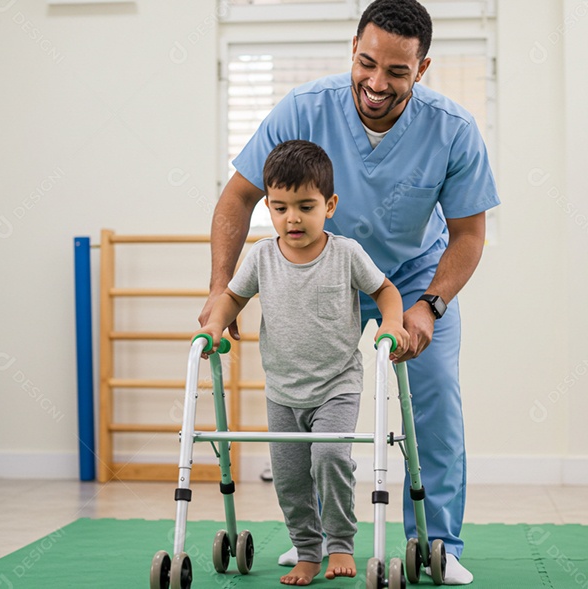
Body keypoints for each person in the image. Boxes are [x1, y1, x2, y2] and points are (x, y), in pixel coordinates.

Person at [198, 0, 499, 585]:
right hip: (315, 271)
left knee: (433, 397)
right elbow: (237, 197)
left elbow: (468, 234)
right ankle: (311, 540)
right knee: (305, 404)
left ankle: (436, 544)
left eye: (397, 72)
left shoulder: (453, 129)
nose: (377, 83)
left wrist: (430, 304)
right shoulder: (303, 108)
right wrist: (220, 288)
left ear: (424, 67)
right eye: (367, 63)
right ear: (353, 50)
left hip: (410, 279)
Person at [201, 140, 409, 586]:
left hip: (337, 382)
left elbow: (386, 290)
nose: (291, 218)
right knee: (291, 479)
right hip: (282, 389)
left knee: (330, 456)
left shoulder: (346, 253)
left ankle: (340, 544)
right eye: (279, 207)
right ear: (269, 208)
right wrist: (216, 325)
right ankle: (307, 550)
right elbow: (232, 297)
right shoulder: (260, 256)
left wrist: (391, 324)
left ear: (329, 205)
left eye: (305, 206)